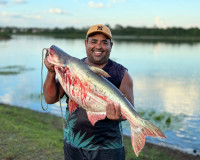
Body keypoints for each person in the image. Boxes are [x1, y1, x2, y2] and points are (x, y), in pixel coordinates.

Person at [43, 24, 134, 160]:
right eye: (94, 41)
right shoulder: (71, 67)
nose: (98, 46)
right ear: (86, 43)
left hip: (108, 148)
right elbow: (50, 99)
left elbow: (129, 111)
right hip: (73, 143)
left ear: (111, 45)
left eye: (104, 42)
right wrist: (51, 72)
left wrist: (119, 116)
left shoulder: (122, 74)